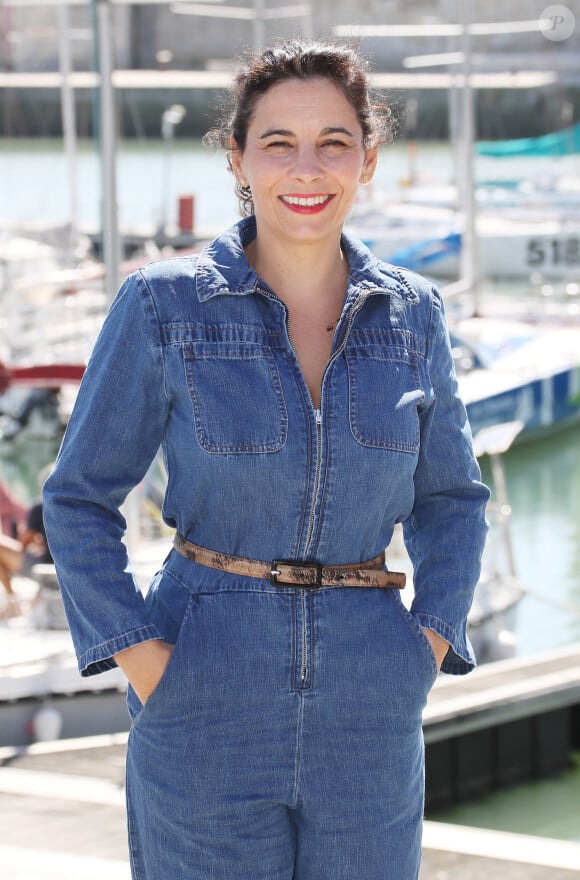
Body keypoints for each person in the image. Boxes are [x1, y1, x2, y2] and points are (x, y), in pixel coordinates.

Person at [43, 41, 489, 880]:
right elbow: (75, 499)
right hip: (201, 678)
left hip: (371, 689)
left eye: (334, 141)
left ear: (367, 158)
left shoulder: (414, 315)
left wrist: (424, 646)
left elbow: (453, 503)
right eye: (278, 143)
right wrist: (146, 661)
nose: (306, 168)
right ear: (239, 159)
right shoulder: (162, 306)